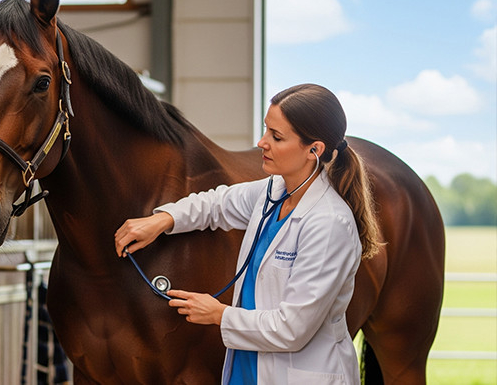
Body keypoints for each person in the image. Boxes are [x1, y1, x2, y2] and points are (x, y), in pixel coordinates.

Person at [114, 83, 382, 385]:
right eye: (266, 130)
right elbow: (217, 203)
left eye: (276, 137)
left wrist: (218, 314)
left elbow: (292, 329)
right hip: (247, 369)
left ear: (314, 150)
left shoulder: (329, 223)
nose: (261, 142)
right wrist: (162, 219)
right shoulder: (274, 191)